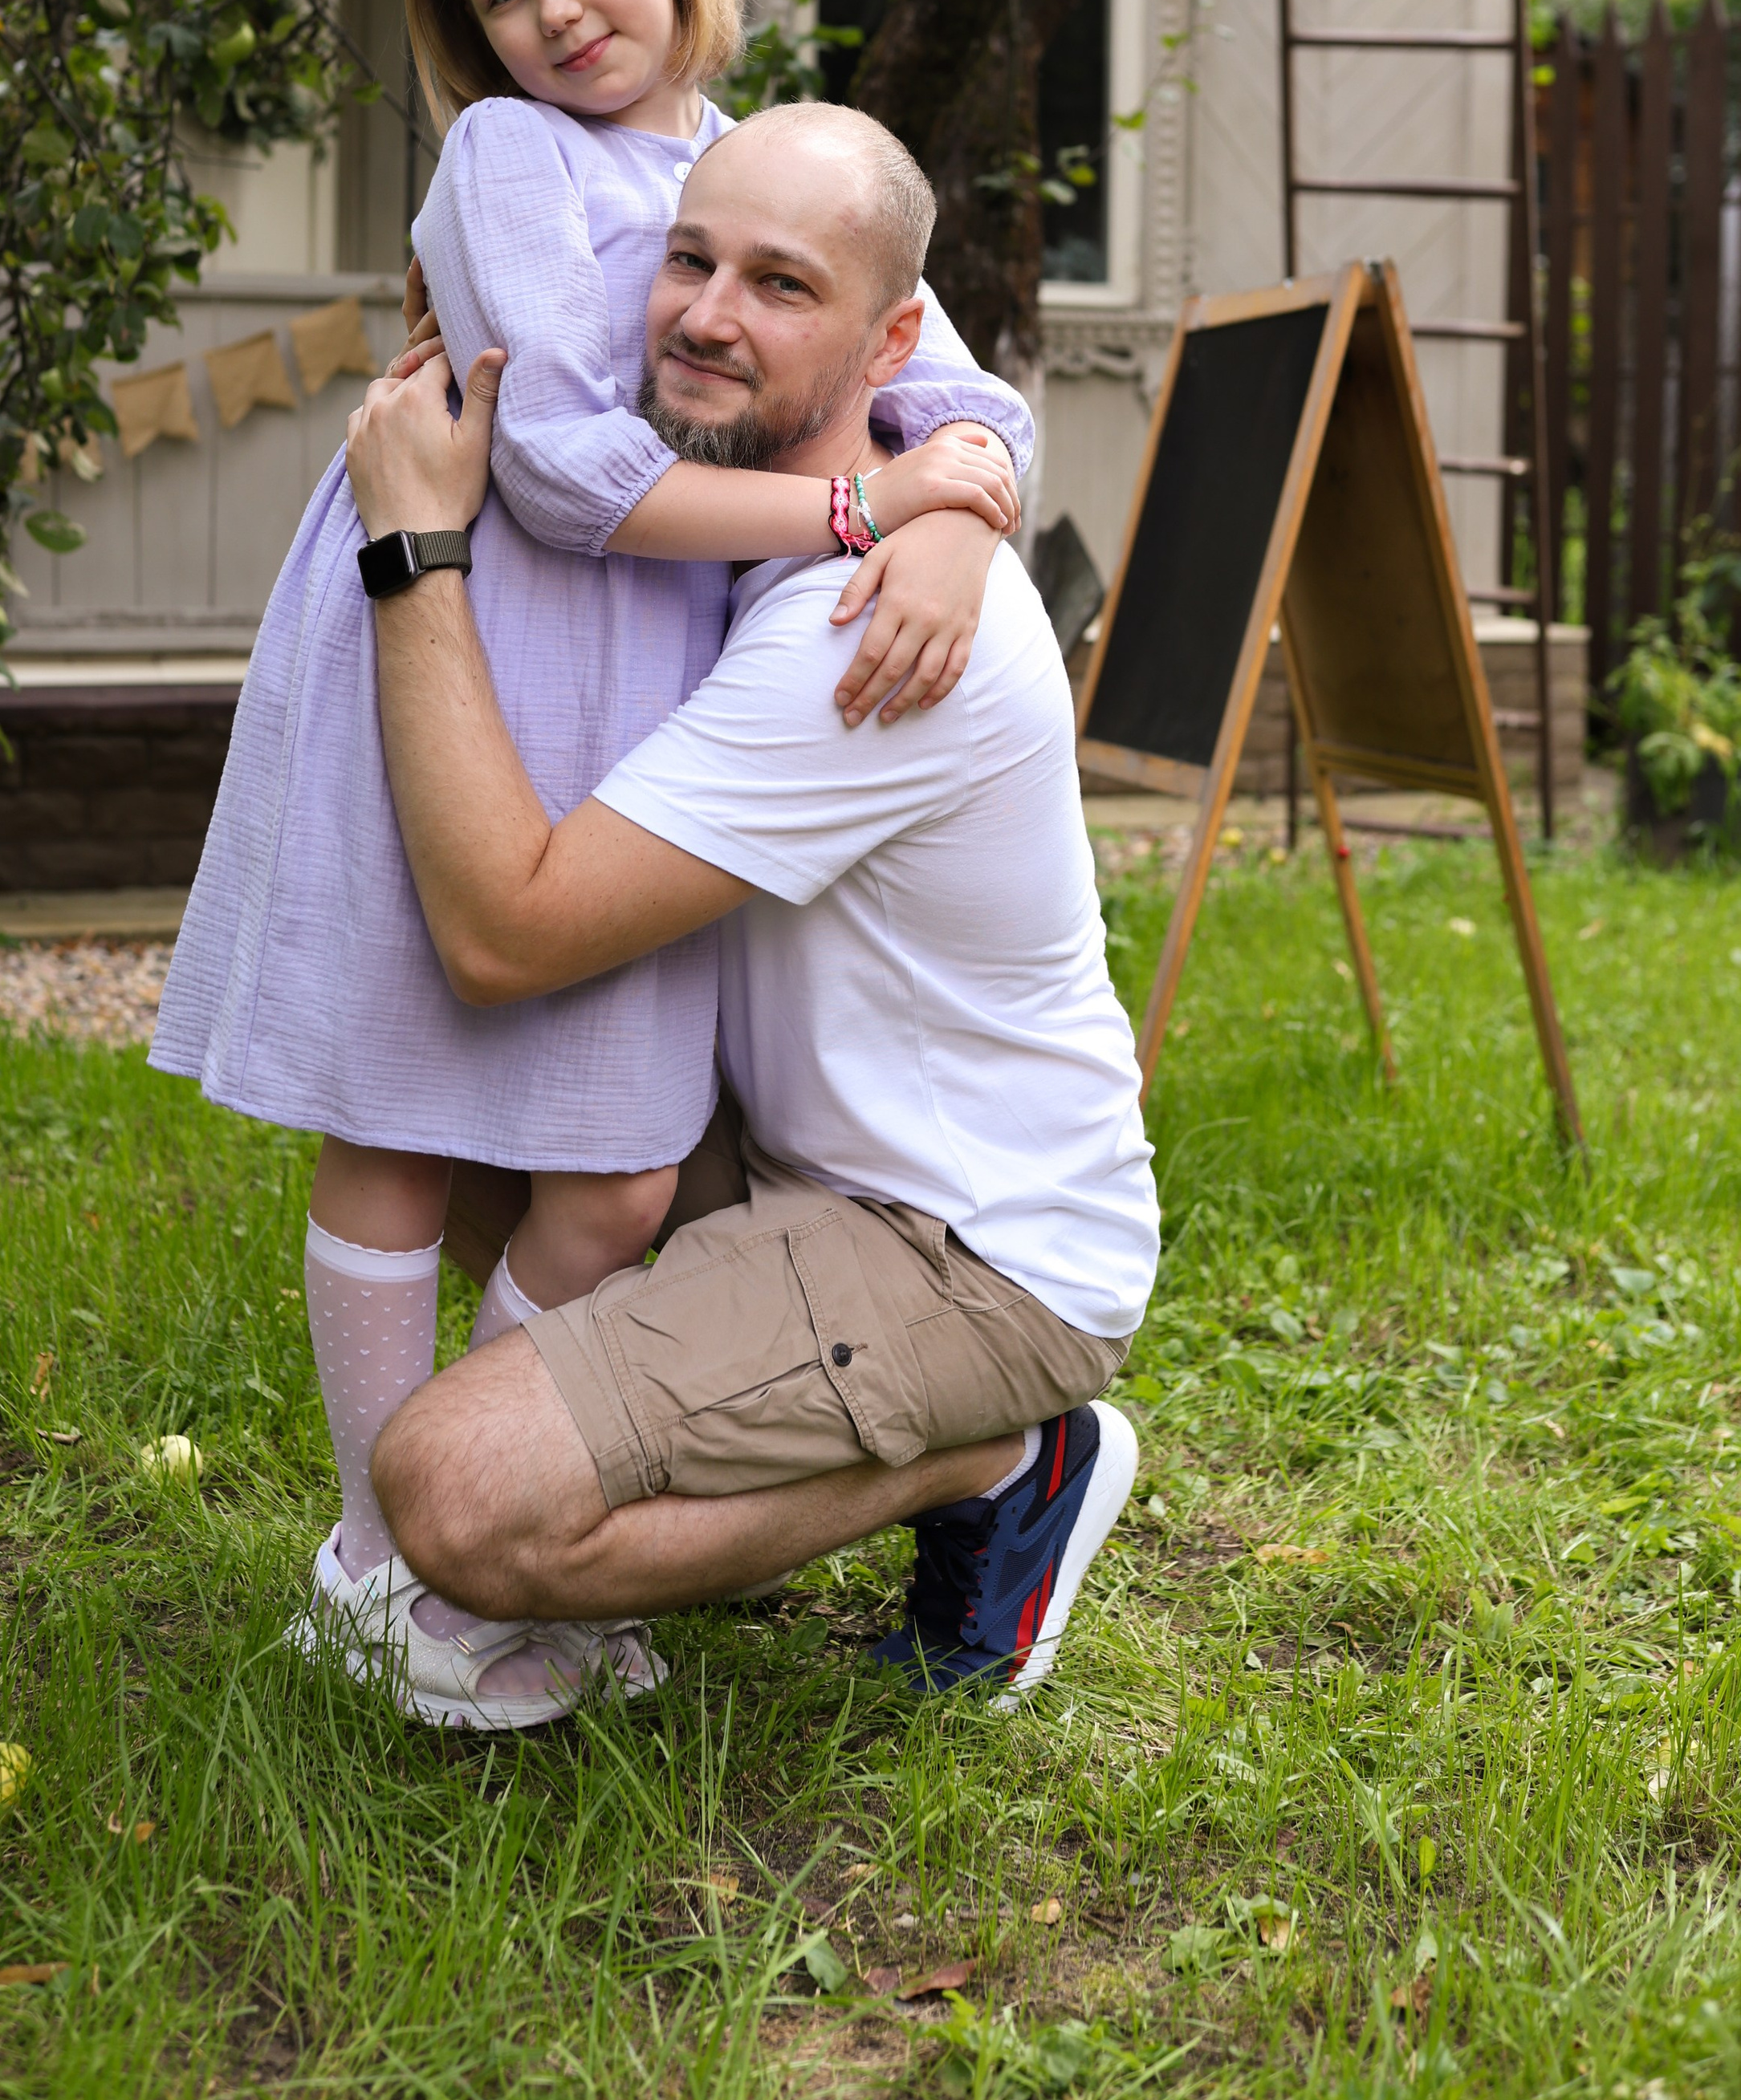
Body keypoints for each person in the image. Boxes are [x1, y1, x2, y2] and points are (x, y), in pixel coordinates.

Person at [150, 0, 1036, 1721]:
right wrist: (846, 522)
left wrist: (963, 494)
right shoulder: (507, 169)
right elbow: (555, 471)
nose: (552, 11)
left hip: (653, 676)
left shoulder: (770, 158)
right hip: (468, 627)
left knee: (617, 1167)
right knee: (396, 1114)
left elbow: (950, 384)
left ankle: (438, 1543)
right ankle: (392, 1570)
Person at [336, 100, 1160, 1723]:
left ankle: (1004, 1456)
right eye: (688, 261)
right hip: (789, 1170)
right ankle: (755, 1416)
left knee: (451, 1494)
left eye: (781, 285)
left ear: (889, 339)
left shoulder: (856, 638)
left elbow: (507, 927)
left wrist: (412, 548)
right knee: (465, 1097)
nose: (708, 314)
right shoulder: (749, 537)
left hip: (963, 1249)